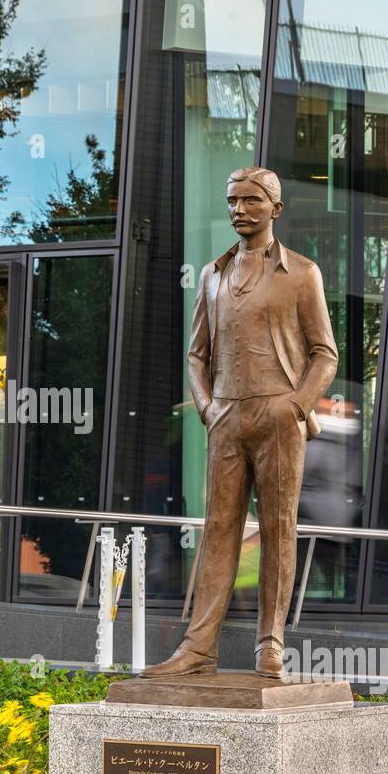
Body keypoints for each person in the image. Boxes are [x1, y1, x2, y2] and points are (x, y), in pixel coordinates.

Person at [143, 166, 338, 679]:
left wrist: (295, 406)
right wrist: (208, 409)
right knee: (219, 531)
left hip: (279, 415)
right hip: (226, 416)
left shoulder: (301, 273)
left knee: (278, 531)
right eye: (232, 201)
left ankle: (270, 646)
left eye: (250, 201)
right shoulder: (212, 274)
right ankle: (197, 649)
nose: (238, 210)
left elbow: (325, 354)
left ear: (274, 208)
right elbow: (195, 355)